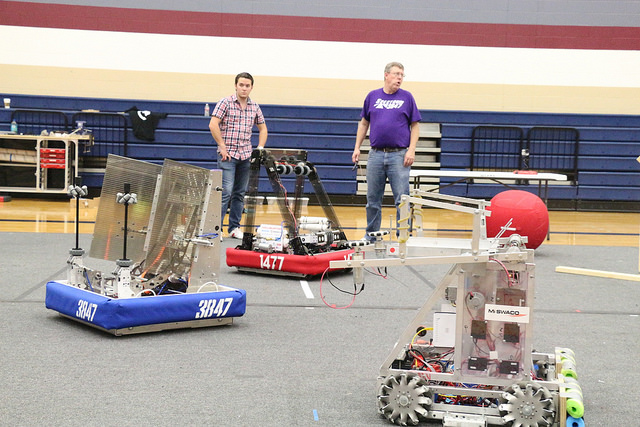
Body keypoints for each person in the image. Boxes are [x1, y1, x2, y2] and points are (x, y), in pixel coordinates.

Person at [352, 62, 421, 241]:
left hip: (399, 155)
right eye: (397, 74)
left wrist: (411, 150)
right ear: (386, 75)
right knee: (373, 200)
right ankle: (371, 235)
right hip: (375, 154)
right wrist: (357, 147)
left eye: (402, 75)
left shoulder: (407, 97)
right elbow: (364, 123)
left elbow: (415, 126)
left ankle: (403, 235)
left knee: (402, 199)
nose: (400, 78)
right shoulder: (372, 96)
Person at [209, 72, 268, 239]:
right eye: (241, 85)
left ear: (251, 87)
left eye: (247, 85)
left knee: (239, 193)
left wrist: (260, 148)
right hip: (228, 156)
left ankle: (234, 227)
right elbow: (213, 124)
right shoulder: (225, 102)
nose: (244, 88)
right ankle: (216, 229)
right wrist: (221, 145)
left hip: (246, 156)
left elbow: (263, 129)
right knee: (225, 192)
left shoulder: (255, 107)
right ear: (236, 85)